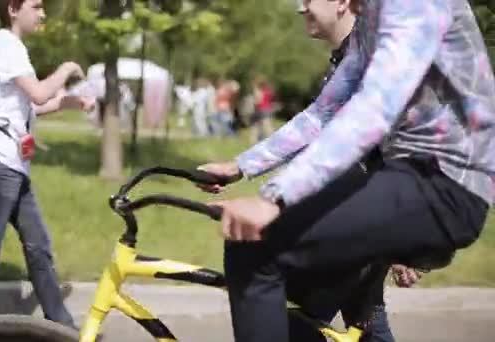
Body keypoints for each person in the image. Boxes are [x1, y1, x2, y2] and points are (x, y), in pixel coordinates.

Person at [199, 0, 494, 341]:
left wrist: (274, 198)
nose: (302, 6)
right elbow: (322, 114)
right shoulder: (371, 21)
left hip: (447, 184)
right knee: (288, 290)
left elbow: (374, 108)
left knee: (255, 247)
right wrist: (241, 165)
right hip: (406, 174)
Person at [0, 0, 94, 331]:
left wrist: (70, 101)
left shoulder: (10, 47)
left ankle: (64, 327)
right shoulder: (7, 45)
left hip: (13, 167)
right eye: (36, 6)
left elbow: (27, 107)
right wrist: (67, 68)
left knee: (38, 247)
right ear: (13, 9)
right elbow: (39, 94)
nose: (42, 14)